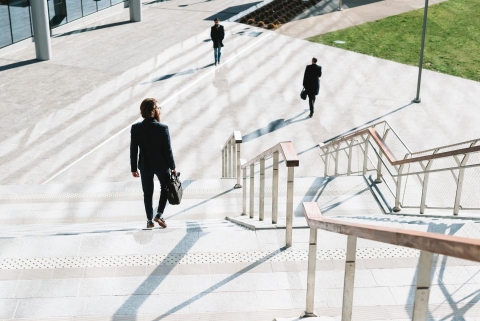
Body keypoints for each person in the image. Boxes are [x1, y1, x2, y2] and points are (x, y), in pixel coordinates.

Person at [130, 98, 177, 229]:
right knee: (165, 189)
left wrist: (134, 168)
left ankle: (149, 220)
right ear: (152, 111)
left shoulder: (136, 128)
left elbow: (133, 150)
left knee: (147, 193)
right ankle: (159, 214)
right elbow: (168, 150)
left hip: (145, 166)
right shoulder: (162, 128)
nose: (159, 110)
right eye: (158, 107)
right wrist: (173, 167)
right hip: (162, 165)